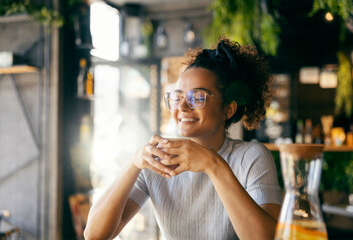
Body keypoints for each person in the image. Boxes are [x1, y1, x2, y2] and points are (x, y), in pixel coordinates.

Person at [84, 37, 282, 240]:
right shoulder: (158, 161)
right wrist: (134, 164)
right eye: (177, 97)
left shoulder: (251, 158)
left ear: (228, 110)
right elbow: (94, 235)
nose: (183, 107)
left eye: (197, 97)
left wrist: (212, 164)